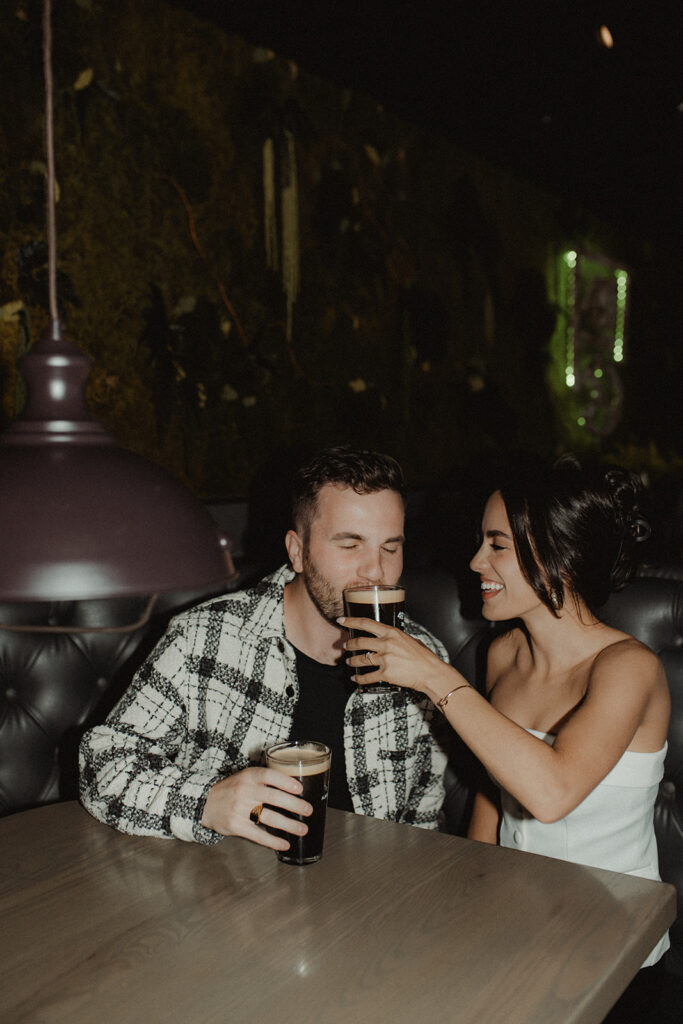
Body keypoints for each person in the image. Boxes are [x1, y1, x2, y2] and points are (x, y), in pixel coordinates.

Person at [342, 454, 671, 975]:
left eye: (497, 545)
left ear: (560, 557)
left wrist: (435, 676)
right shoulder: (505, 654)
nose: (476, 562)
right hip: (520, 923)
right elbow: (495, 797)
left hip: (613, 939)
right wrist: (466, 904)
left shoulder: (629, 669)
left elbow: (550, 794)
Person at [79, 446, 449, 854]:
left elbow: (423, 823)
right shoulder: (205, 638)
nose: (375, 570)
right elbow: (101, 766)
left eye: (390, 547)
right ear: (297, 551)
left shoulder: (427, 661)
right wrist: (205, 802)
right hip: (223, 901)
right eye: (350, 544)